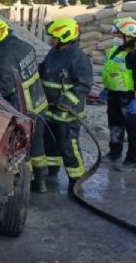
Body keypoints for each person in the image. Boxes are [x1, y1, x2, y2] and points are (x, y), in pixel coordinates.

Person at [0, 19, 49, 192]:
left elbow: (3, 88)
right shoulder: (25, 46)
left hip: (24, 111)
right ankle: (41, 181)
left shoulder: (4, 59)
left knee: (21, 150)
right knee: (38, 144)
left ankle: (24, 185)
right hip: (40, 104)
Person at [39, 18, 93, 190]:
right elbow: (44, 70)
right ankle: (51, 173)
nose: (50, 39)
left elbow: (84, 86)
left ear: (64, 36)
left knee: (69, 147)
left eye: (53, 36)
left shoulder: (79, 58)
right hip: (50, 110)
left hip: (67, 113)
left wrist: (67, 101)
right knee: (51, 144)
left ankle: (76, 181)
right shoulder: (54, 52)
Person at [99, 17, 136, 172]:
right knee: (114, 125)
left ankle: (132, 161)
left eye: (119, 36)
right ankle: (114, 153)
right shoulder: (113, 51)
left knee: (133, 129)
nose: (116, 38)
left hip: (130, 96)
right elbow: (109, 71)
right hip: (113, 95)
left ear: (129, 37)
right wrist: (106, 89)